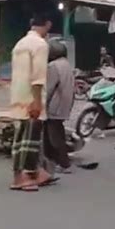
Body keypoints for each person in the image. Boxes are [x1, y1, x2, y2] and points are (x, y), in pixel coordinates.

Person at [9, 13, 57, 192]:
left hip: (18, 97)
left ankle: (25, 175)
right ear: (48, 24)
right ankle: (27, 177)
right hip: (31, 99)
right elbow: (38, 77)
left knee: (20, 140)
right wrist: (37, 102)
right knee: (30, 141)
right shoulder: (40, 44)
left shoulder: (20, 43)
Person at [44, 39, 75, 174]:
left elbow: (49, 89)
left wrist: (42, 104)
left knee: (55, 136)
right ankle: (50, 160)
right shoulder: (67, 65)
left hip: (55, 106)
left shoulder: (53, 66)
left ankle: (64, 163)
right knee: (55, 132)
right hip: (65, 103)